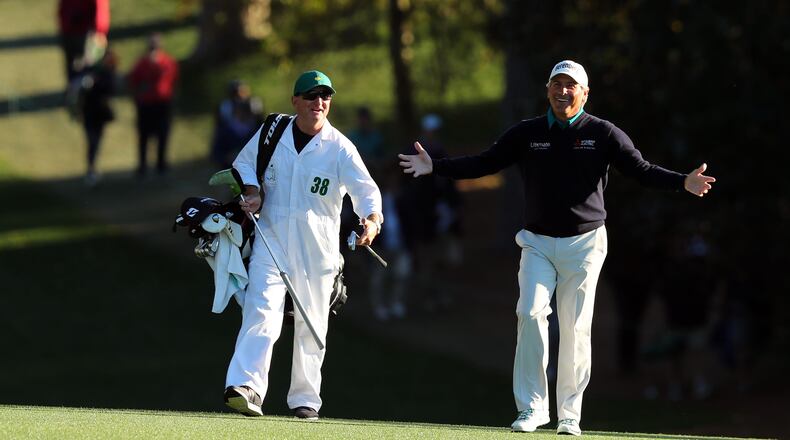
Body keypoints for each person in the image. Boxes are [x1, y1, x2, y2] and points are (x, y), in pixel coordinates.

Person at [398, 60, 716, 436]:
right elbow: (485, 162)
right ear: (547, 89)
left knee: (576, 328)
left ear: (584, 93)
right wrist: (435, 166)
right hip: (537, 243)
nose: (562, 91)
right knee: (529, 314)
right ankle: (532, 408)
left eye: (570, 85)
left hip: (585, 244)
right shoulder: (528, 133)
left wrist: (683, 182)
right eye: (556, 84)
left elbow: (640, 169)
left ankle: (569, 414)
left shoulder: (603, 133)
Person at [224, 70, 383, 420]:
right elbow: (244, 165)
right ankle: (246, 386)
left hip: (318, 250)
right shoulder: (272, 132)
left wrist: (371, 222)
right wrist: (253, 193)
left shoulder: (340, 147)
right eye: (311, 96)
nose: (319, 103)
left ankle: (305, 400)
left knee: (313, 324)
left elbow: (367, 192)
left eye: (325, 96)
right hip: (272, 237)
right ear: (296, 101)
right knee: (261, 309)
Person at [127, 33, 179, 177]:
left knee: (163, 134)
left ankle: (161, 164)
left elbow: (172, 79)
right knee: (144, 135)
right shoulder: (142, 63)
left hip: (162, 103)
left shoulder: (167, 62)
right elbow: (134, 80)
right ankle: (143, 165)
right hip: (146, 103)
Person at [77, 48, 118, 186]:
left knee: (96, 141)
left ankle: (92, 168)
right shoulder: (89, 69)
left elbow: (110, 90)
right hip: (89, 111)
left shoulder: (108, 73)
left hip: (100, 113)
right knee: (92, 141)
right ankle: (91, 169)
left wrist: (96, 82)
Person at [57, 0, 110, 84]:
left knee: (90, 75)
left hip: (87, 35)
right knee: (75, 71)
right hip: (71, 31)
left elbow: (100, 9)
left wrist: (99, 32)